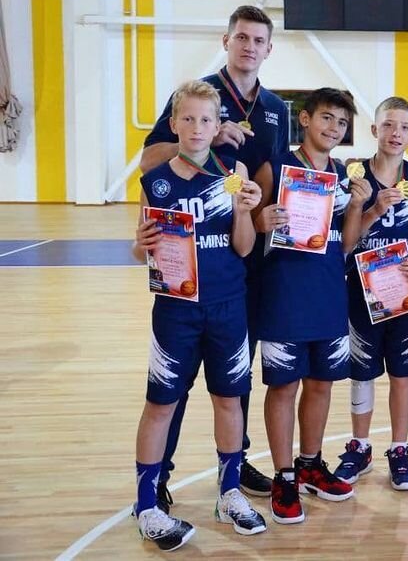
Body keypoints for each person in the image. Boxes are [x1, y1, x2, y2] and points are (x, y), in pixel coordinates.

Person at [139, 5, 288, 507]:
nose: (249, 47)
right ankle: (159, 474)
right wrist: (207, 135)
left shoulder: (275, 107)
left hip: (247, 254)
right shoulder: (197, 95)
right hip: (193, 260)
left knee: (235, 373)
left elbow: (275, 174)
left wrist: (265, 215)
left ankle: (235, 464)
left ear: (269, 49)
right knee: (176, 378)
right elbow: (150, 159)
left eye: (258, 40)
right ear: (227, 41)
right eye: (241, 37)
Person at [132, 80, 267, 550]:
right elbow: (141, 250)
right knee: (161, 404)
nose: (196, 127)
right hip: (175, 310)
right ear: (173, 124)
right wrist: (139, 246)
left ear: (217, 127)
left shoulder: (233, 173)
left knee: (229, 400)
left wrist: (245, 212)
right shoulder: (155, 181)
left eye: (206, 119)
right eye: (187, 118)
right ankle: (146, 505)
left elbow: (244, 247)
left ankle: (229, 493)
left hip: (228, 306)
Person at [250, 88, 367, 524]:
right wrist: (259, 220)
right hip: (284, 293)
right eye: (326, 118)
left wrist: (357, 206)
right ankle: (283, 476)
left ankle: (310, 464)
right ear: (305, 119)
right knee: (284, 387)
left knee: (321, 384)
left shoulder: (341, 175)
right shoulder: (276, 166)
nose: (333, 128)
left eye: (341, 122)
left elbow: (347, 244)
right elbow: (248, 223)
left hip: (329, 292)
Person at [333, 96, 408, 492]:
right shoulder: (354, 177)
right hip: (362, 290)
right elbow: (345, 243)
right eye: (388, 125)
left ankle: (400, 448)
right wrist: (371, 209)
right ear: (374, 129)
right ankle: (360, 445)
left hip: (404, 291)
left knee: (402, 374)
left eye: (404, 127)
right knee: (362, 373)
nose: (395, 133)